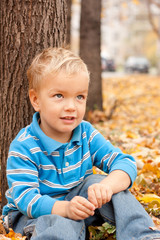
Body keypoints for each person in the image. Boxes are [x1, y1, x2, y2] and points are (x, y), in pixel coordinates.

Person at [2, 47, 160, 240]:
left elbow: (125, 162)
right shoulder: (24, 146)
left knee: (103, 184)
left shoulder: (85, 133)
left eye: (79, 97)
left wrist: (107, 187)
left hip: (80, 207)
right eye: (59, 96)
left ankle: (144, 236)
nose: (71, 106)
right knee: (60, 223)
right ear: (36, 100)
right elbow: (26, 200)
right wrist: (66, 209)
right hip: (33, 216)